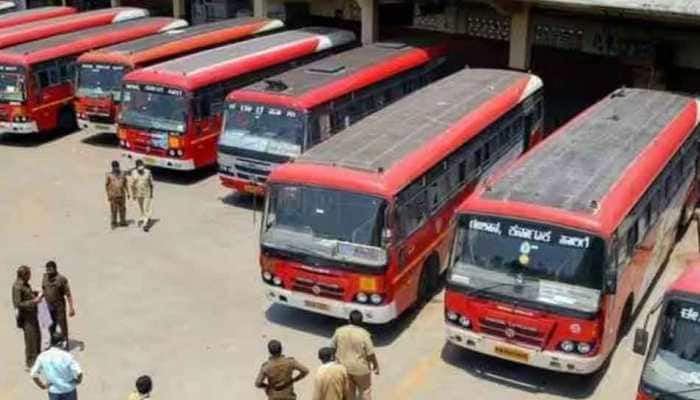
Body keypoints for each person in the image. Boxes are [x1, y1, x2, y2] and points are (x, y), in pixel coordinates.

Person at [331, 311, 379, 400]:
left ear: (349, 320)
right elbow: (370, 353)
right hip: (361, 369)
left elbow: (332, 347)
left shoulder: (339, 331)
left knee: (349, 392)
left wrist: (334, 362)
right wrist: (375, 365)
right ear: (361, 321)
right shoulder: (364, 334)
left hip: (343, 368)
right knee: (365, 390)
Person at [30, 332, 83, 400]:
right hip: (69, 390)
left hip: (54, 391)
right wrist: (78, 381)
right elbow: (79, 372)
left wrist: (42, 386)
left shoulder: (43, 356)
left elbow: (33, 374)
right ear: (60, 343)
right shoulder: (67, 356)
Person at [12, 265, 42, 370]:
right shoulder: (17, 286)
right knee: (31, 341)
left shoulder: (25, 284)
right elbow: (18, 303)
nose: (30, 276)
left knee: (37, 338)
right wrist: (34, 301)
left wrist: (35, 293)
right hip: (27, 319)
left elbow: (26, 294)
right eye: (29, 274)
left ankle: (38, 361)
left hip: (33, 316)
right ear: (23, 275)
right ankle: (31, 364)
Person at [42, 261, 75, 350]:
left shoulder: (61, 279)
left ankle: (65, 342)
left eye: (50, 269)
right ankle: (53, 341)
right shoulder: (45, 277)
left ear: (55, 269)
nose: (48, 271)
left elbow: (68, 294)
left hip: (59, 305)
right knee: (50, 324)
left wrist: (71, 308)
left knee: (62, 323)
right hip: (48, 305)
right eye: (47, 269)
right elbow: (44, 289)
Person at [130, 159, 154, 232]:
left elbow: (151, 183)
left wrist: (152, 193)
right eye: (139, 166)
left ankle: (145, 224)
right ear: (136, 167)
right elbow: (132, 185)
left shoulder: (148, 172)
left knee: (146, 208)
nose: (141, 168)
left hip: (147, 192)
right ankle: (144, 218)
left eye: (142, 166)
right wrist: (133, 194)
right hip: (138, 193)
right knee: (141, 207)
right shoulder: (133, 173)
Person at [105, 160, 129, 229]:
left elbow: (125, 184)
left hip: (122, 195)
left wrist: (128, 193)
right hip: (113, 195)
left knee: (122, 209)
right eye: (115, 167)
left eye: (117, 166)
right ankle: (114, 223)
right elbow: (106, 186)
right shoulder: (109, 175)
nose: (116, 168)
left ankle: (122, 222)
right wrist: (108, 195)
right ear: (112, 167)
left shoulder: (122, 174)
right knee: (113, 210)